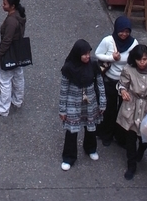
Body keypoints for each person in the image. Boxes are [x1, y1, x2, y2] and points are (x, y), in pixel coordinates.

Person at [116, 44, 147, 180]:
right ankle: (131, 165)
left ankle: (141, 151)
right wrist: (123, 91)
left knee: (146, 137)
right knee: (130, 139)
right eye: (139, 60)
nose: (142, 62)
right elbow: (122, 84)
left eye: (144, 59)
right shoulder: (128, 70)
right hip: (131, 108)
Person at [58, 39, 104, 170]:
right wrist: (62, 109)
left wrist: (103, 103)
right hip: (73, 103)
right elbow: (63, 89)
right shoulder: (68, 68)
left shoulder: (94, 64)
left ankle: (90, 148)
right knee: (71, 131)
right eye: (84, 54)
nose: (87, 56)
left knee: (91, 127)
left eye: (88, 53)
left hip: (90, 102)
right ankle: (69, 157)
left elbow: (100, 84)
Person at [95, 15, 138, 146]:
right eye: (121, 31)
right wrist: (112, 58)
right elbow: (97, 54)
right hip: (109, 80)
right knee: (109, 109)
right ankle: (106, 134)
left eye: (127, 31)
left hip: (125, 83)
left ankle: (120, 137)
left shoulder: (133, 44)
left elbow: (135, 60)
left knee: (123, 111)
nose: (124, 34)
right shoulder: (108, 40)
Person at [0, 0, 27, 117]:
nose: (2, 5)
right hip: (19, 52)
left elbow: (6, 41)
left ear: (12, 6)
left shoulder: (11, 21)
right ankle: (17, 100)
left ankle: (3, 109)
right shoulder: (20, 16)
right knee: (18, 77)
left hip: (8, 54)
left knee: (5, 82)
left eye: (5, 3)